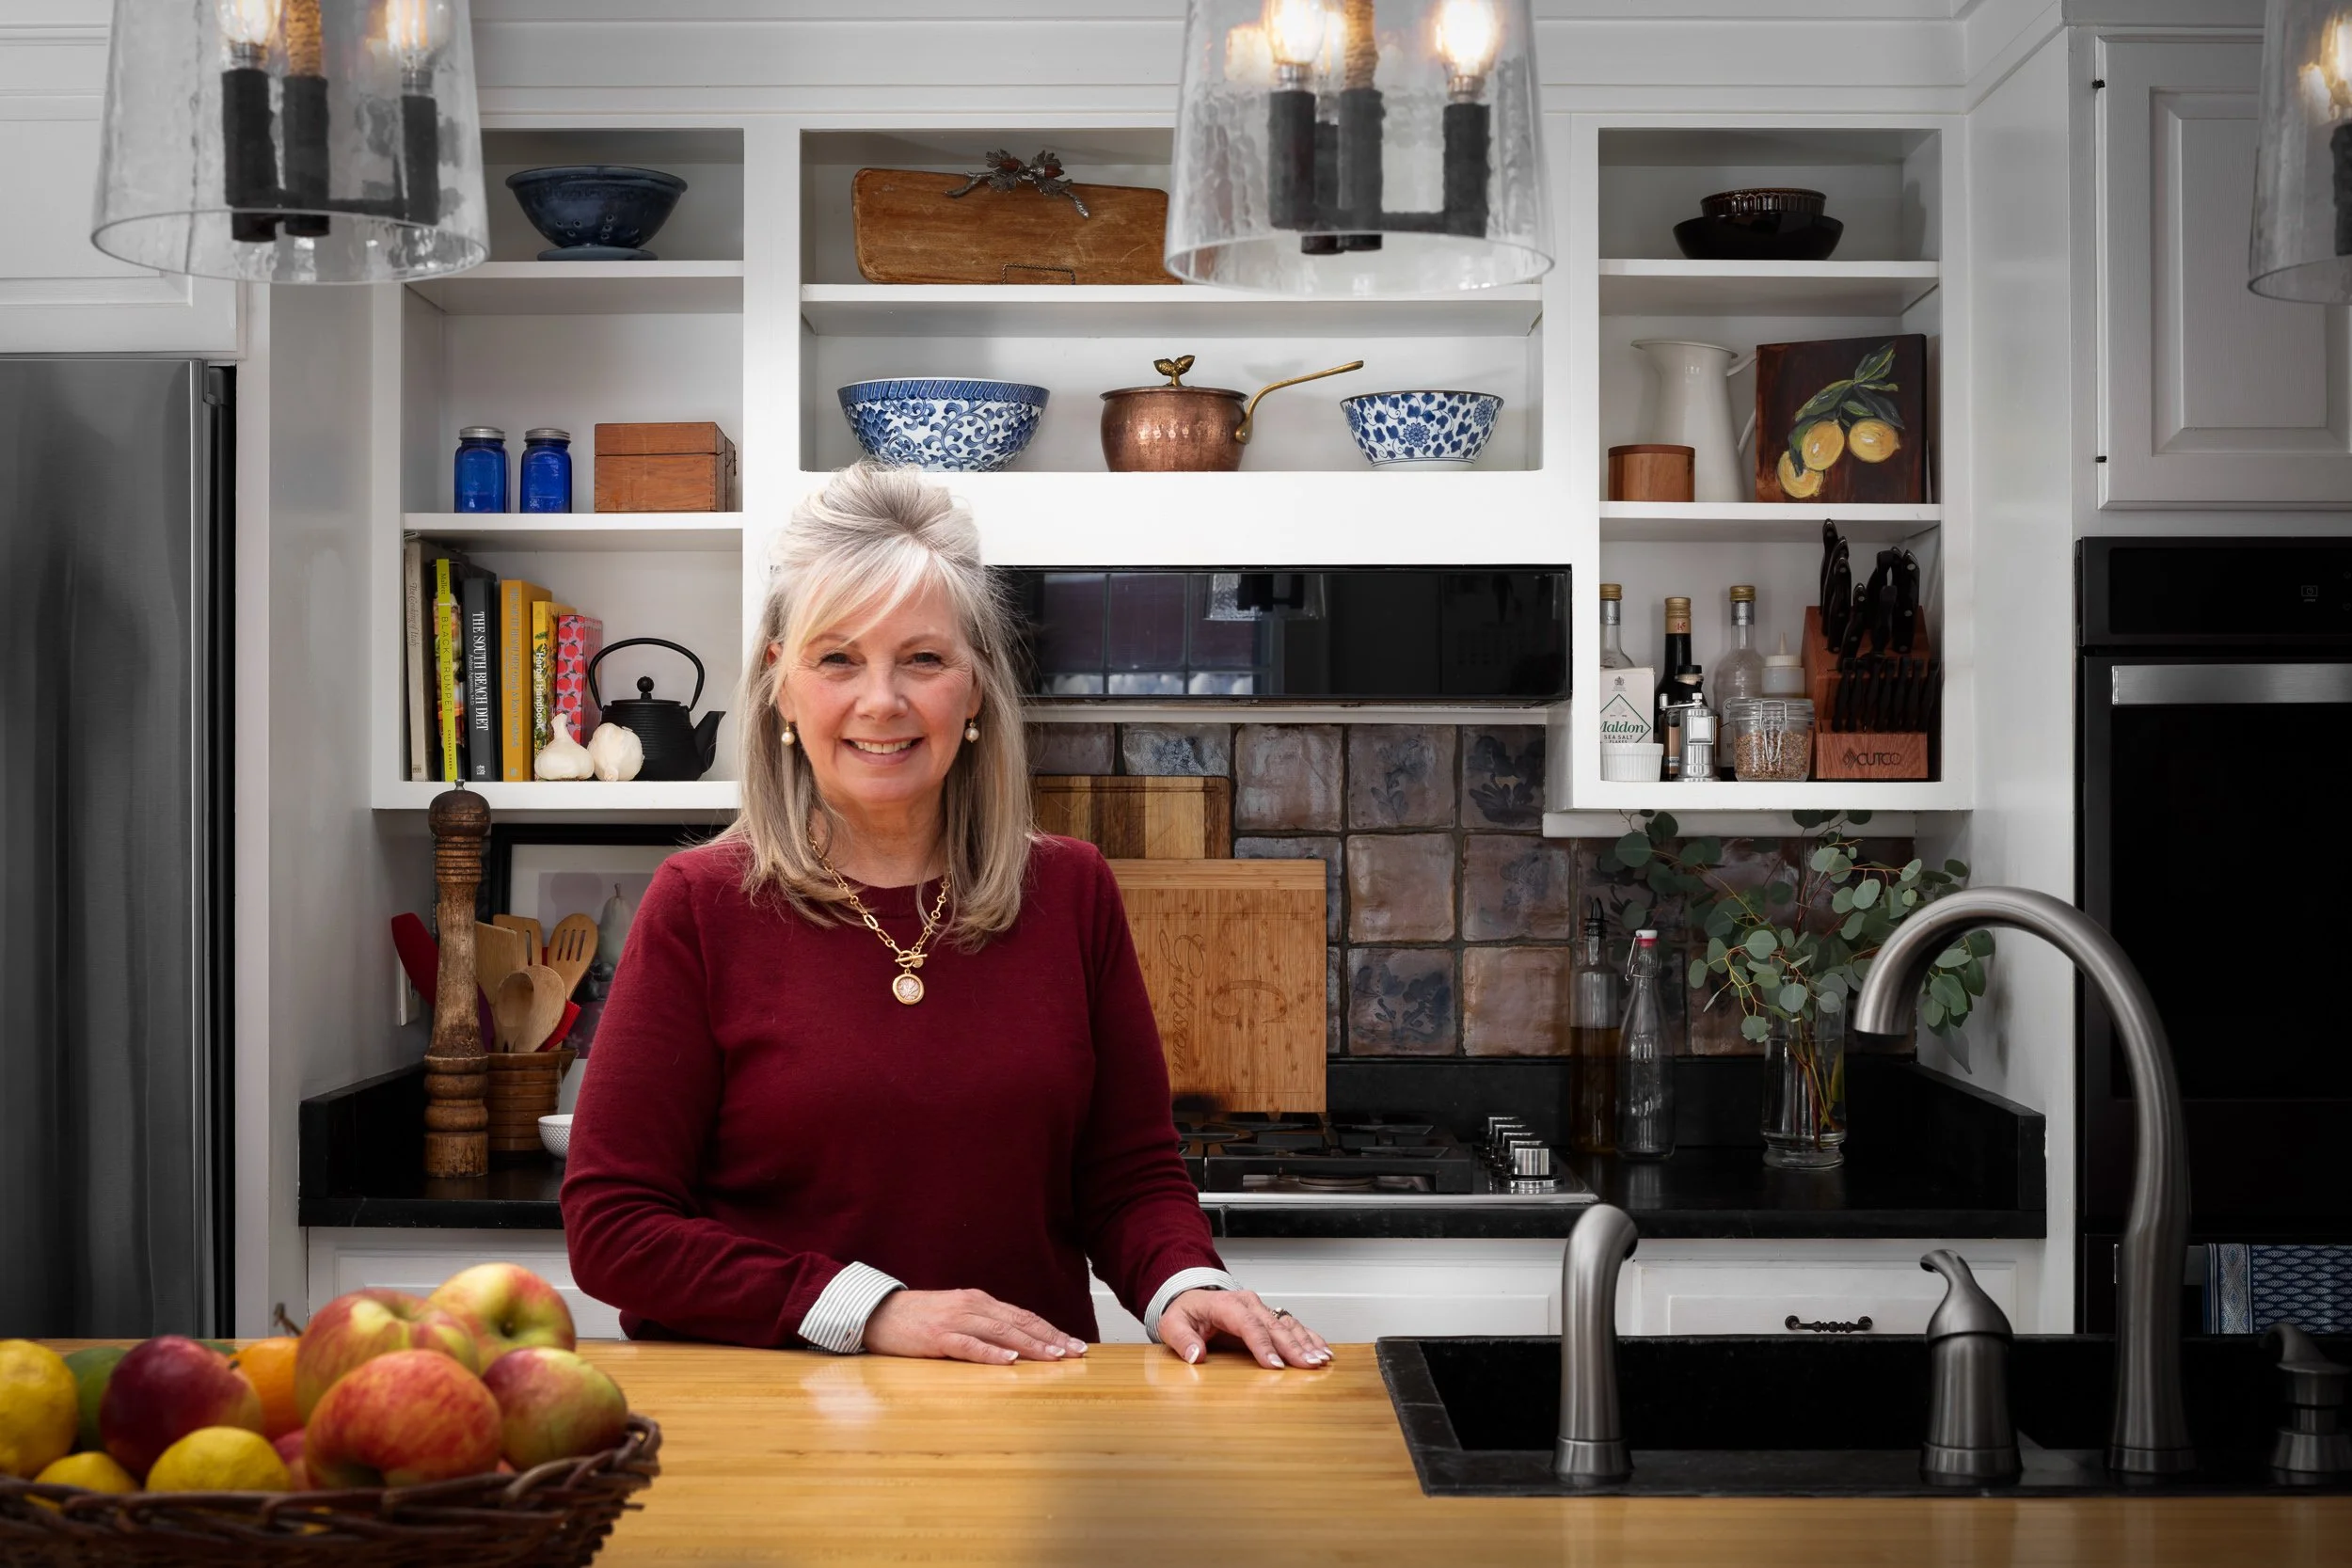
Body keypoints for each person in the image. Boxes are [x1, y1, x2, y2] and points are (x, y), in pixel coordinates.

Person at [561, 463, 1332, 1371]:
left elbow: (1128, 1178)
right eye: (837, 656)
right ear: (780, 683)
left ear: (973, 689)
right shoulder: (700, 902)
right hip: (772, 1425)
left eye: (922, 659)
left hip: (1028, 1422)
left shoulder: (1072, 892)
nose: (880, 700)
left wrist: (1184, 1282)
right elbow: (615, 1228)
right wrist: (873, 1309)